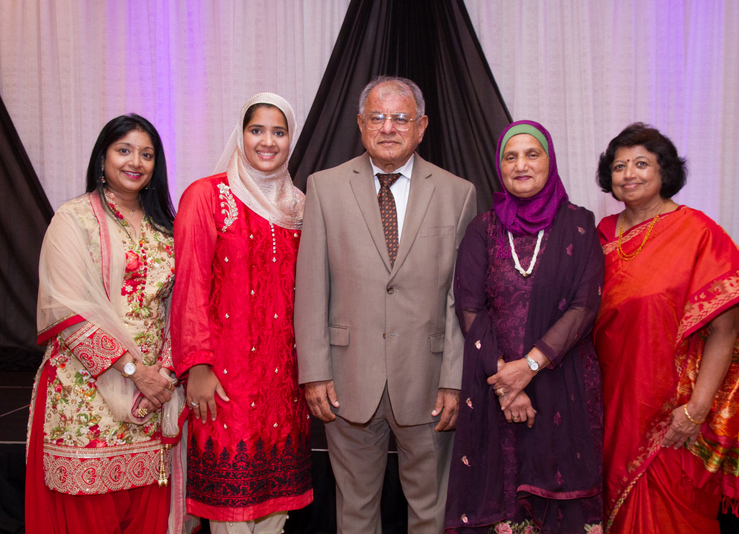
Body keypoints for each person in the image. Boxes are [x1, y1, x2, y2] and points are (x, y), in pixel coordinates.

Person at [294, 75, 477, 533]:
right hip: (346, 378)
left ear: (422, 126)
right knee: (355, 510)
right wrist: (314, 372)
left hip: (428, 380)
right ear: (360, 124)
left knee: (431, 510)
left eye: (401, 118)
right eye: (377, 117)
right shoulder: (324, 187)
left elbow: (461, 299)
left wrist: (454, 379)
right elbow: (311, 286)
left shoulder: (457, 193)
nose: (388, 127)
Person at [593, 123, 739, 533]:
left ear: (665, 172)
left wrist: (695, 411)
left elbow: (728, 329)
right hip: (609, 403)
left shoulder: (698, 233)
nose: (629, 174)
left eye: (641, 163)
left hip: (673, 411)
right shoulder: (600, 235)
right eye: (619, 166)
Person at [444, 121, 605, 533]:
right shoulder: (483, 228)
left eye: (532, 154)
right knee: (503, 499)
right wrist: (506, 382)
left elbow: (584, 306)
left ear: (550, 161)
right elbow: (470, 307)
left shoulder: (580, 224)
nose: (521, 165)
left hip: (562, 380)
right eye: (510, 157)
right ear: (499, 166)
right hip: (495, 384)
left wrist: (528, 367)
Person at [25, 114, 181, 533]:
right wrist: (134, 371)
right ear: (102, 158)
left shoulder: (166, 229)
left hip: (151, 399)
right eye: (124, 150)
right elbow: (65, 309)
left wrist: (163, 374)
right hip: (86, 393)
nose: (136, 162)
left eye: (146, 154)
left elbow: (179, 306)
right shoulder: (72, 219)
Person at [171, 93, 311, 534]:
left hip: (282, 382)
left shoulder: (300, 207)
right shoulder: (206, 196)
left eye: (278, 132)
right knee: (231, 514)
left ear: (291, 139)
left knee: (275, 514)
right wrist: (197, 366)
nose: (267, 141)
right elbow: (190, 285)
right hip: (224, 380)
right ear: (240, 134)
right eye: (256, 130)